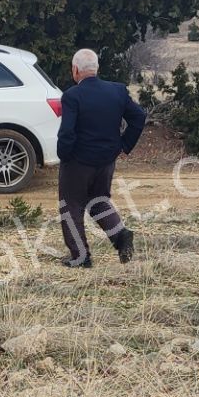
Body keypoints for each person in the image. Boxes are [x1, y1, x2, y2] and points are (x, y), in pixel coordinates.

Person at [56, 49, 148, 267]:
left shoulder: (72, 96)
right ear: (96, 69)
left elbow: (67, 132)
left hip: (78, 162)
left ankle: (80, 257)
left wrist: (64, 155)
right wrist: (124, 145)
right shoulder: (117, 91)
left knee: (71, 206)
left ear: (75, 70)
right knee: (99, 201)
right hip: (107, 160)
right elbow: (139, 116)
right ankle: (121, 236)